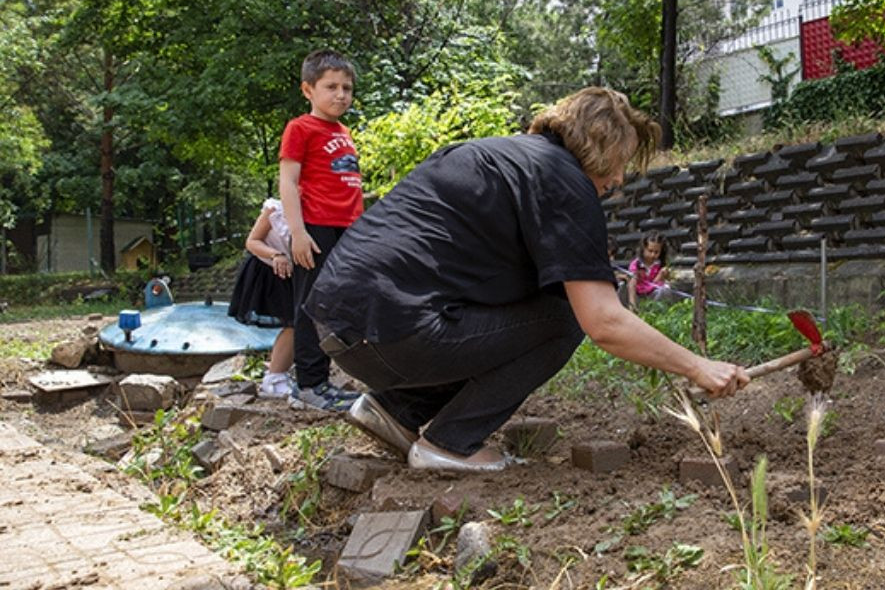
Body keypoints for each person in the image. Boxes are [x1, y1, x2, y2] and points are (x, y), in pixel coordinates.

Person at [303, 87, 750, 472]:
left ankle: (395, 411)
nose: (617, 180)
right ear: (598, 146)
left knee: (522, 309)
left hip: (341, 328)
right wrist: (697, 366)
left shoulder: (496, 155)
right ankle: (449, 445)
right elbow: (604, 322)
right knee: (565, 319)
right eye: (620, 162)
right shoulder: (565, 181)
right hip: (391, 333)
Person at [279, 49, 365, 411]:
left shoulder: (344, 131)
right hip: (316, 229)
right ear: (308, 89)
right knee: (311, 305)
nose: (341, 94)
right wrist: (298, 233)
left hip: (348, 230)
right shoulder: (300, 128)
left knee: (335, 304)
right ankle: (310, 385)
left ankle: (327, 378)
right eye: (331, 86)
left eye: (347, 87)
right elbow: (288, 181)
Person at [227, 199, 295, 398]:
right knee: (293, 323)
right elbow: (252, 241)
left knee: (299, 324)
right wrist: (276, 255)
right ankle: (274, 378)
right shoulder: (275, 209)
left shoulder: (318, 209)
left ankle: (281, 371)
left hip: (293, 272)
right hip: (269, 271)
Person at [626, 232, 673, 308]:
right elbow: (632, 284)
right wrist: (632, 304)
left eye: (656, 252)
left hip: (653, 295)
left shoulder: (659, 265)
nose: (653, 255)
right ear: (643, 248)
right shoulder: (636, 264)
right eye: (650, 251)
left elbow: (654, 284)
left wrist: (662, 276)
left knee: (666, 289)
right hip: (639, 296)